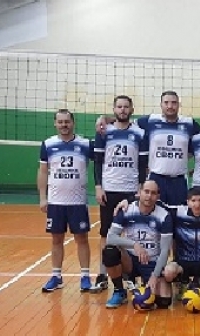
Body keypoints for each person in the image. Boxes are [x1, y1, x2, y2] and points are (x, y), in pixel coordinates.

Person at [92, 95, 147, 291]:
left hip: (130, 190)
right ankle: (102, 275)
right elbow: (98, 161)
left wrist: (140, 186)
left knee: (128, 232)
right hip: (109, 190)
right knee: (105, 233)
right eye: (119, 106)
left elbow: (142, 163)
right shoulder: (104, 131)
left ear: (131, 109)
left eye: (126, 107)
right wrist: (98, 186)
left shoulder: (139, 133)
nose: (122, 110)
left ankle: (128, 275)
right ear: (114, 109)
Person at [38, 109, 94, 293]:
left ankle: (85, 276)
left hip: (78, 202)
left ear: (73, 123)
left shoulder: (85, 144)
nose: (64, 125)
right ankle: (56, 276)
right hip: (56, 202)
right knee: (56, 239)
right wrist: (43, 197)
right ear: (55, 123)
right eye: (60, 122)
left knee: (82, 239)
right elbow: (43, 172)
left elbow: (102, 160)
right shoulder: (48, 144)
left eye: (67, 122)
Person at [103, 180, 173, 309]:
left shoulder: (164, 216)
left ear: (158, 196)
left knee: (164, 301)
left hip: (151, 261)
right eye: (146, 191)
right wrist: (134, 244)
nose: (149, 196)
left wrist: (155, 276)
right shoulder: (126, 210)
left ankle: (146, 282)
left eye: (153, 193)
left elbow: (165, 251)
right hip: (130, 260)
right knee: (110, 251)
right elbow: (110, 238)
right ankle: (119, 290)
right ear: (139, 192)